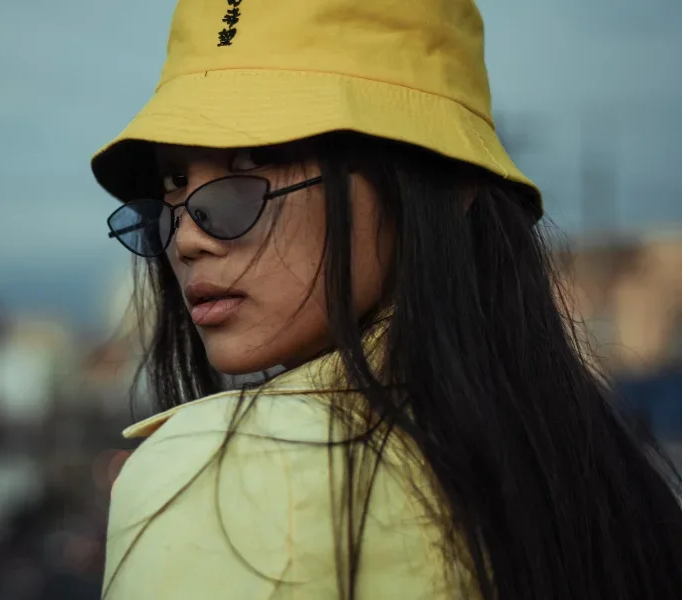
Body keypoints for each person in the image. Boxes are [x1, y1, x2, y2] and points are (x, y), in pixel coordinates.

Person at [89, 0, 682, 598]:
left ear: (439, 184)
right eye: (173, 182)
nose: (187, 236)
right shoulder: (585, 472)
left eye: (254, 159)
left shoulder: (223, 476)